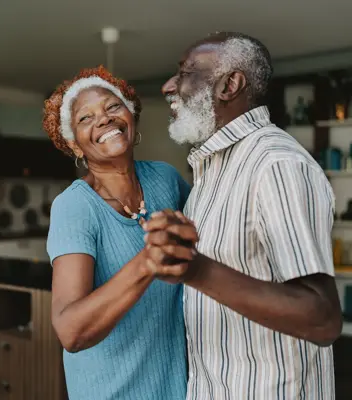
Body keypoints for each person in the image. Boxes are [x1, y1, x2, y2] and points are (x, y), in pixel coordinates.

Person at [143, 32, 343, 399]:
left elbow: (322, 318)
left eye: (186, 72)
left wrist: (196, 269)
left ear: (229, 85)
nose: (168, 86)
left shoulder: (276, 164)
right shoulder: (210, 172)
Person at [43, 66, 194, 400]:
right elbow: (71, 331)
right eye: (85, 118)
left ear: (132, 116)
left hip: (177, 389)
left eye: (113, 107)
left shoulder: (165, 180)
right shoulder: (74, 207)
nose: (104, 119)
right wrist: (147, 261)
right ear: (75, 145)